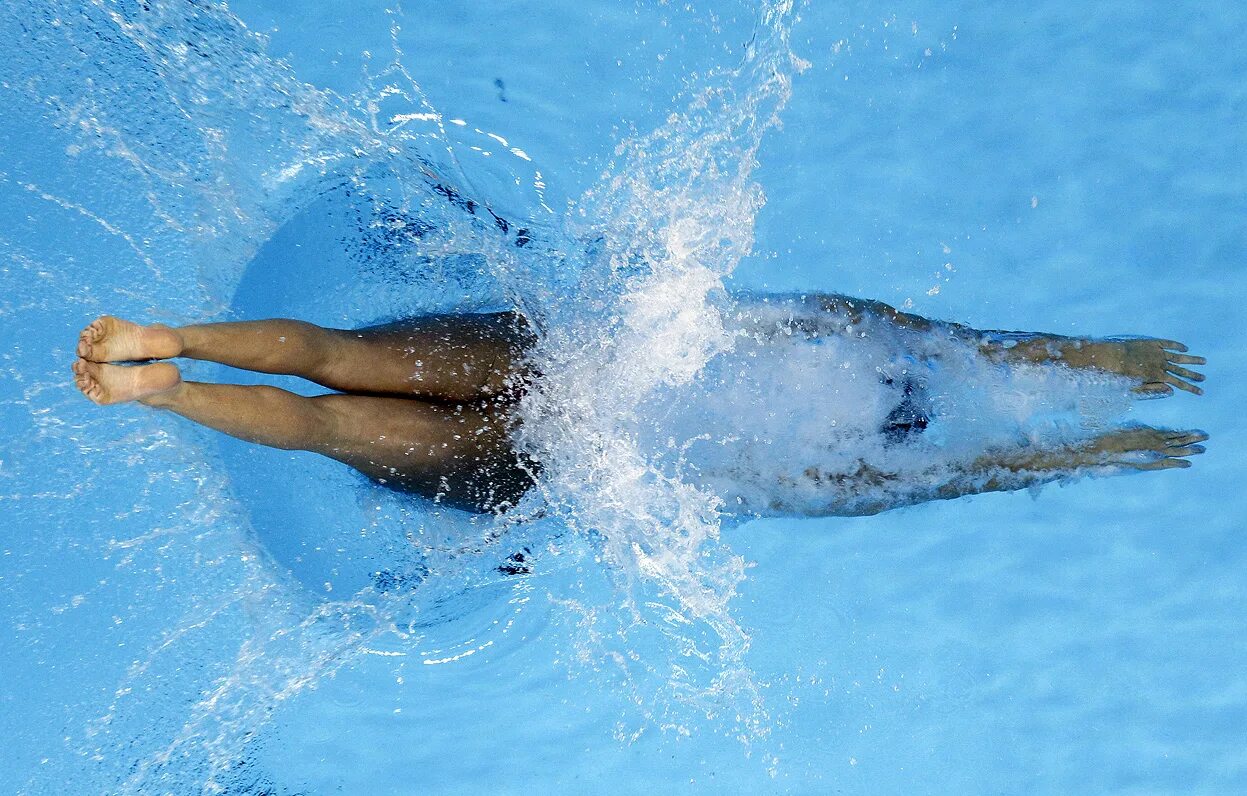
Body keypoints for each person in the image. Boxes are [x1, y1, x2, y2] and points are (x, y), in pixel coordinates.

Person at [72, 296, 1207, 514]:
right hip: (567, 460)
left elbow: (964, 345)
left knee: (335, 354)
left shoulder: (846, 334)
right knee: (328, 426)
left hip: (568, 359)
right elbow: (976, 469)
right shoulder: (841, 478)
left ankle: (161, 338)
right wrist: (1099, 446)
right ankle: (168, 393)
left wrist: (1101, 356)